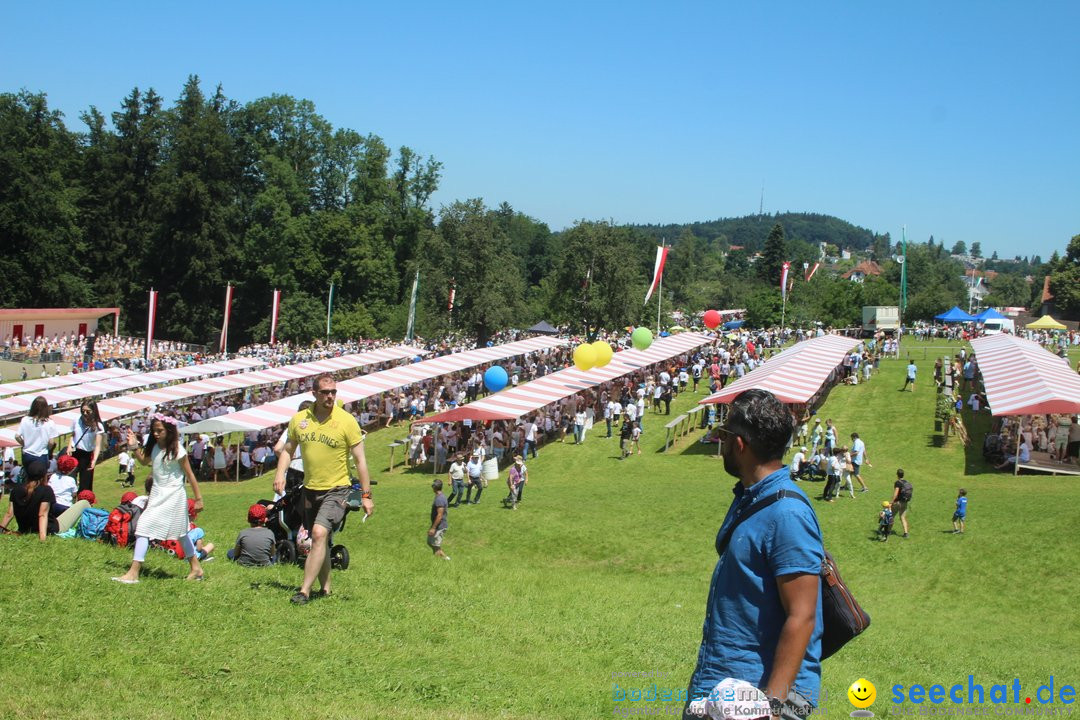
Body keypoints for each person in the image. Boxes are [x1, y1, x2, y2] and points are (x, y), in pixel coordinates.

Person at [684, 389, 822, 720]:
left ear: (740, 444)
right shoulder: (751, 496)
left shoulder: (787, 514)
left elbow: (802, 615)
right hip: (726, 681)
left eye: (725, 434)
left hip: (755, 696)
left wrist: (772, 709)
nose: (721, 441)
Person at [274, 373, 374, 605]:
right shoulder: (300, 419)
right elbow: (288, 449)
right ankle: (326, 589)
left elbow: (360, 461)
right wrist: (280, 472)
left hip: (338, 489)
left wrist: (366, 496)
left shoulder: (347, 420)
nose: (330, 396)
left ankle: (304, 591)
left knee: (318, 534)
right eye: (325, 392)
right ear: (314, 394)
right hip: (310, 489)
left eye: (333, 392)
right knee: (321, 539)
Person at [111, 414, 207, 583]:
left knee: (148, 527)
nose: (156, 434)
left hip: (174, 495)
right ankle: (196, 568)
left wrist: (198, 499)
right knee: (177, 533)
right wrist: (134, 447)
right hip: (157, 492)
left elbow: (190, 475)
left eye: (159, 430)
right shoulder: (154, 447)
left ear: (169, 431)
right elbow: (143, 461)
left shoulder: (178, 450)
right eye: (154, 430)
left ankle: (134, 572)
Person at [0, 461, 58, 540]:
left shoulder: (15, 489)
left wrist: (1, 529)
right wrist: (42, 539)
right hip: (49, 529)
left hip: (24, 530)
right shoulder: (46, 490)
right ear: (44, 475)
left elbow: (9, 514)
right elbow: (42, 514)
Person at [67, 400, 104, 492]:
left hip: (87, 454)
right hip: (75, 452)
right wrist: (69, 446)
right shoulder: (77, 420)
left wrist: (94, 460)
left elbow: (98, 445)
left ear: (93, 411)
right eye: (83, 411)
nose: (85, 413)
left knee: (85, 484)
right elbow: (72, 435)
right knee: (70, 479)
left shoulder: (98, 426)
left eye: (88, 411)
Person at [15, 396, 57, 469]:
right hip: (42, 454)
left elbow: (17, 436)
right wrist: (47, 448)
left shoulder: (25, 420)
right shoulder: (50, 423)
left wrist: (25, 444)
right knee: (42, 478)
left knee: (28, 476)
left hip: (27, 454)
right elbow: (51, 442)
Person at [427, 479, 450, 560]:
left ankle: (445, 559)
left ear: (434, 487)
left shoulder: (439, 499)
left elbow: (439, 515)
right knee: (430, 542)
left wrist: (433, 528)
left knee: (435, 545)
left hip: (439, 526)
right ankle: (440, 557)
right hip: (438, 525)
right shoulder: (439, 496)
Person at [890, 469, 913, 538]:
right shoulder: (906, 482)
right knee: (903, 517)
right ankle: (906, 533)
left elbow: (896, 494)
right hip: (905, 502)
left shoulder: (898, 483)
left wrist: (892, 501)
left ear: (897, 475)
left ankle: (888, 531)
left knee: (891, 516)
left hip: (898, 502)